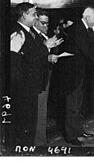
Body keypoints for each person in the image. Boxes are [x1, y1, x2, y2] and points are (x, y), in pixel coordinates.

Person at [55, 7, 94, 145]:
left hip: (80, 72)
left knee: (78, 104)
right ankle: (71, 136)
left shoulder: (84, 29)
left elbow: (86, 48)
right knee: (72, 104)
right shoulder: (78, 28)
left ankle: (78, 130)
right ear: (88, 18)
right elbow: (86, 51)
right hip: (71, 73)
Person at [10, 3, 48, 145]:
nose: (36, 17)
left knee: (30, 121)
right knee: (24, 124)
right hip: (23, 86)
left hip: (33, 85)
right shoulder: (17, 31)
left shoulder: (31, 31)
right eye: (33, 14)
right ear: (24, 15)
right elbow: (29, 57)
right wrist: (46, 47)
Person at [32, 8, 62, 146]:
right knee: (38, 110)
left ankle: (41, 139)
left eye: (47, 24)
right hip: (37, 78)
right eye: (42, 23)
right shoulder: (32, 35)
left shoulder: (44, 36)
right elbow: (32, 58)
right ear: (35, 21)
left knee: (42, 110)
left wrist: (54, 51)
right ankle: (38, 142)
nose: (45, 26)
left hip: (46, 75)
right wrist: (48, 56)